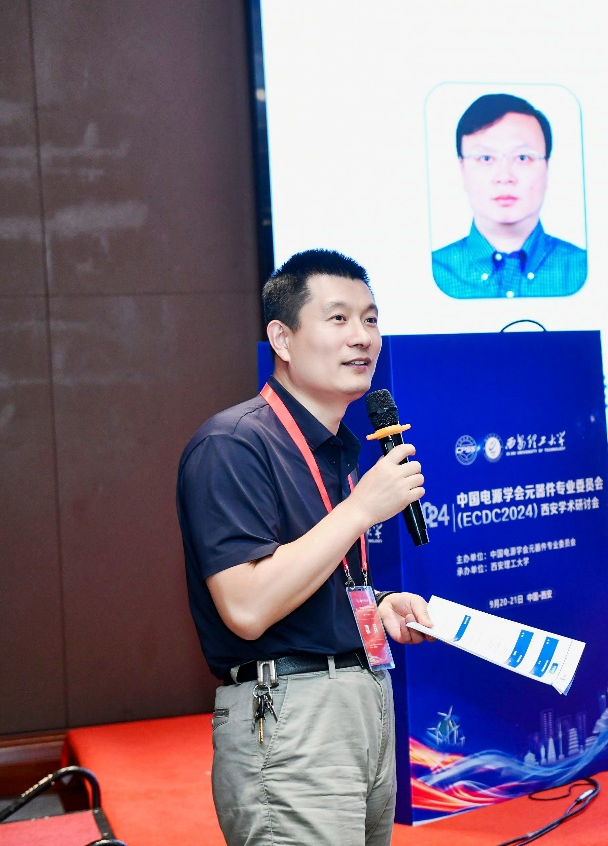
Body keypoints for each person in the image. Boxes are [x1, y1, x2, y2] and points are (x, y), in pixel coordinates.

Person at [177, 248, 431, 845]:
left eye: (370, 319)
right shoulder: (233, 444)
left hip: (364, 704)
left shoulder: (338, 449)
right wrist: (360, 510)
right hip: (291, 716)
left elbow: (314, 573)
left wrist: (378, 606)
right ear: (282, 339)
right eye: (338, 318)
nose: (362, 337)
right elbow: (246, 606)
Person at [432, 93, 587, 299]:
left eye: (522, 158)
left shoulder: (584, 270)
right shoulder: (433, 272)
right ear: (462, 168)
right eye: (486, 158)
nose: (504, 177)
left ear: (547, 167)